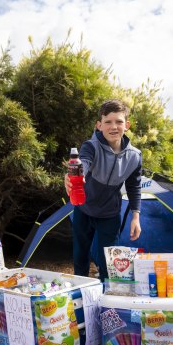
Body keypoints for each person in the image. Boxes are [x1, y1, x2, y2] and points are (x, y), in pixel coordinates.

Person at [65, 99, 142, 282]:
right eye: (108, 122)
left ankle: (107, 297)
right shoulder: (90, 146)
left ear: (127, 125)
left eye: (119, 122)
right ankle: (80, 293)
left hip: (109, 213)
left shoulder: (134, 156)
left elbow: (134, 186)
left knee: (109, 261)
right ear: (99, 125)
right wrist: (73, 175)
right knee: (80, 256)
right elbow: (83, 162)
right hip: (84, 208)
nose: (113, 126)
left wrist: (136, 217)